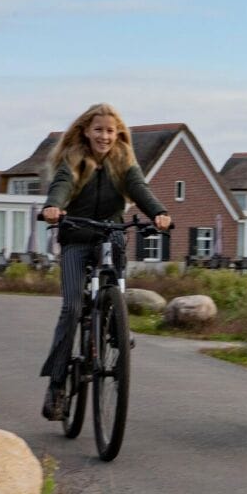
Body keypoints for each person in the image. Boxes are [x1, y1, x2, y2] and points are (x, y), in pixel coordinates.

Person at [38, 103, 171, 420]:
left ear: (118, 133)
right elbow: (62, 185)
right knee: (71, 308)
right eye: (98, 129)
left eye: (110, 130)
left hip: (109, 232)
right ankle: (57, 386)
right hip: (75, 236)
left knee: (115, 254)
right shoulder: (73, 159)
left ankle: (116, 319)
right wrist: (53, 206)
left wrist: (159, 212)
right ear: (86, 130)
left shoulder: (123, 160)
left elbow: (139, 189)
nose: (105, 136)